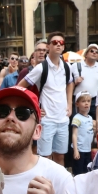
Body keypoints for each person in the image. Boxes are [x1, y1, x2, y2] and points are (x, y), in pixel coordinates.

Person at [18, 31, 81, 166]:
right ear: (49, 46)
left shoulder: (67, 66)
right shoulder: (41, 68)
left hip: (63, 119)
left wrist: (69, 103)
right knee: (45, 158)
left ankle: (59, 186)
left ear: (64, 47)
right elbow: (20, 87)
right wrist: (33, 108)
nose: (58, 45)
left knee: (60, 157)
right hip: (47, 121)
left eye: (61, 43)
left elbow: (70, 83)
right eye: (54, 42)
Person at [74, 44, 98, 114]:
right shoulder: (75, 66)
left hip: (95, 101)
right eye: (91, 51)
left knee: (94, 123)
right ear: (86, 54)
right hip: (79, 101)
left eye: (97, 52)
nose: (94, 53)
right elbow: (68, 84)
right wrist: (75, 82)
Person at [70, 92, 94, 177]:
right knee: (78, 172)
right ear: (77, 104)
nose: (87, 103)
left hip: (87, 149)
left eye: (88, 101)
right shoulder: (77, 118)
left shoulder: (90, 118)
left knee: (86, 171)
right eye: (83, 101)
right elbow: (74, 135)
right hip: (79, 150)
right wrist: (76, 150)